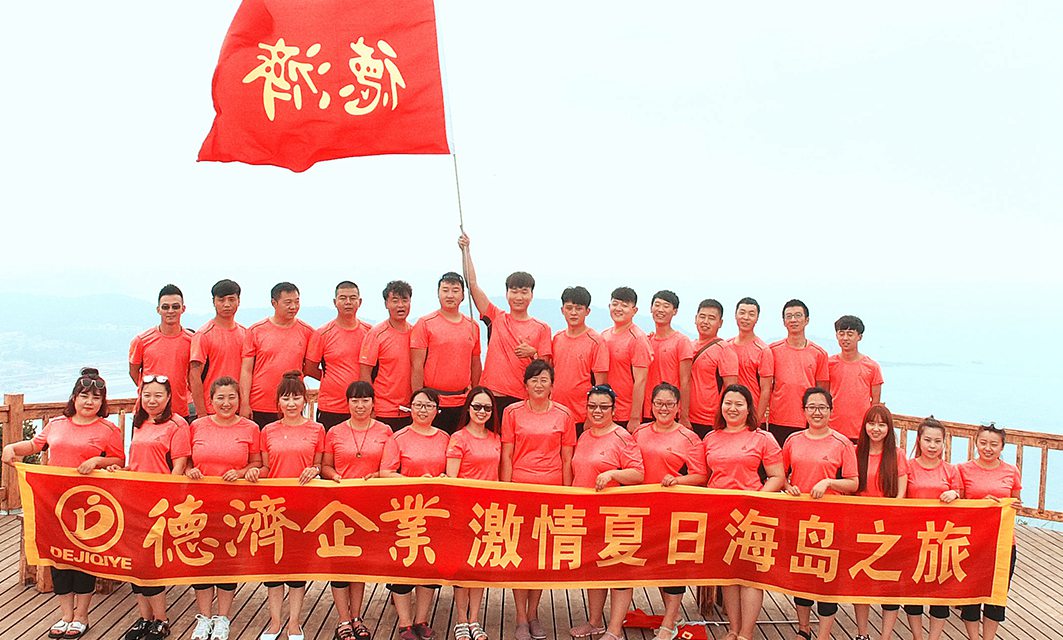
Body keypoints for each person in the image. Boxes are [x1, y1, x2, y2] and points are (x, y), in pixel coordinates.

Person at [1, 367, 124, 640]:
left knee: (84, 559)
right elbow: (34, 446)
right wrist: (11, 448)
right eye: (84, 396)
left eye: (96, 397)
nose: (89, 402)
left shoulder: (108, 429)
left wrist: (97, 461)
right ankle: (65, 614)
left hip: (89, 506)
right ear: (74, 398)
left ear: (102, 402)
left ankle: (82, 615)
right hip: (54, 502)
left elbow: (118, 460)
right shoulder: (56, 424)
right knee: (58, 557)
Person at [500, 360, 577, 640]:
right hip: (520, 489)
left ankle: (534, 614)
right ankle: (520, 617)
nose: (539, 384)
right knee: (520, 555)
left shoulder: (564, 414)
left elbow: (567, 459)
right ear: (525, 384)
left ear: (552, 385)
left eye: (544, 379)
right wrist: (505, 491)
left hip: (551, 490)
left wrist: (567, 494)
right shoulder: (511, 412)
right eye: (534, 379)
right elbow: (507, 455)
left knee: (541, 556)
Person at [703, 384, 785, 640]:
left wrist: (755, 498)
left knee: (750, 576)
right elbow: (702, 476)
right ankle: (733, 629)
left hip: (752, 514)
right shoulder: (710, 438)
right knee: (728, 575)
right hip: (720, 514)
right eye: (728, 403)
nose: (733, 408)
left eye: (739, 404)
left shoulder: (762, 438)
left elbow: (777, 476)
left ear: (749, 409)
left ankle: (746, 633)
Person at [111, 375, 190, 640]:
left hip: (159, 504)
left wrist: (169, 499)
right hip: (133, 501)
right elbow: (138, 462)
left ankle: (161, 619)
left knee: (150, 563)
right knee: (134, 562)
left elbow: (179, 466)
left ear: (168, 397)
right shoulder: (140, 422)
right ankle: (144, 617)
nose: (152, 400)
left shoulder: (177, 424)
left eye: (158, 395)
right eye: (147, 395)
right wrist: (121, 471)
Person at [321, 381, 401, 640]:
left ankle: (357, 617)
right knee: (339, 562)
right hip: (339, 506)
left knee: (359, 562)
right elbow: (325, 466)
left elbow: (389, 468)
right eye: (355, 400)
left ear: (373, 403)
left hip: (370, 506)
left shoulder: (386, 431)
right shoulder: (334, 431)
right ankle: (343, 619)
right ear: (347, 403)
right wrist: (335, 476)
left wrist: (376, 476)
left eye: (365, 400)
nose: (360, 405)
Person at [186, 377, 262, 640]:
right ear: (211, 401)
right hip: (199, 505)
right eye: (220, 397)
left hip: (233, 506)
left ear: (239, 400)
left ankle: (223, 617)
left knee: (227, 561)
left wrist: (241, 473)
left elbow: (258, 463)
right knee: (201, 561)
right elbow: (185, 461)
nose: (226, 403)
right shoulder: (196, 426)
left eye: (232, 397)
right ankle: (204, 617)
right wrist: (190, 471)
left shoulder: (251, 428)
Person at [251, 372, 325, 640]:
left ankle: (294, 622)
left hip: (303, 506)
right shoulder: (268, 430)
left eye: (296, 398)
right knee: (273, 568)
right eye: (286, 398)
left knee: (296, 568)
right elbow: (265, 468)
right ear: (278, 402)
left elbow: (319, 465)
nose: (291, 403)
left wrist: (314, 470)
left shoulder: (317, 429)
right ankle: (274, 622)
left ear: (305, 400)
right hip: (272, 507)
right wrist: (253, 472)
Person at [782, 387, 858, 640]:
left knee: (827, 578)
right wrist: (788, 487)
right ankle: (803, 629)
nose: (817, 412)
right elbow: (780, 475)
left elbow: (853, 483)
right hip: (800, 518)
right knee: (802, 576)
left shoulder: (842, 443)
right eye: (812, 407)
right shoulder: (793, 440)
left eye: (822, 407)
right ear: (803, 411)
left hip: (831, 520)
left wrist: (828, 482)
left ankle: (824, 634)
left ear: (831, 411)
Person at [570, 384, 644, 640]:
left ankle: (614, 629)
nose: (597, 411)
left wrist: (612, 473)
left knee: (618, 570)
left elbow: (638, 473)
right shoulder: (584, 435)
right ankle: (594, 621)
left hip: (616, 516)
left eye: (603, 407)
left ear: (614, 409)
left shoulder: (622, 437)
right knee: (594, 568)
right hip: (586, 514)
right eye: (592, 406)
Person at [633, 383, 707, 640]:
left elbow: (701, 475)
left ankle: (668, 623)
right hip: (643, 509)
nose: (663, 408)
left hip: (675, 510)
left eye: (669, 404)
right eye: (658, 403)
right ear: (651, 406)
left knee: (673, 565)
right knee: (654, 564)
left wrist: (678, 480)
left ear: (678, 407)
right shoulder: (639, 432)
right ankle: (672, 615)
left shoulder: (689, 437)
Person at [379, 388, 450, 640]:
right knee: (404, 565)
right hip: (405, 512)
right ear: (410, 409)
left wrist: (442, 478)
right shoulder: (398, 437)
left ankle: (421, 619)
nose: (423, 410)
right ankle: (404, 623)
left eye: (429, 406)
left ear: (437, 411)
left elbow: (451, 471)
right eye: (418, 405)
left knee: (429, 567)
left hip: (435, 512)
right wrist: (415, 481)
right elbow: (386, 473)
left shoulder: (445, 438)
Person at [459, 233, 553, 412]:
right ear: (507, 293)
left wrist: (533, 353)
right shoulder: (496, 317)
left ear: (531, 295)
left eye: (524, 292)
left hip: (522, 399)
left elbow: (546, 369)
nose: (519, 297)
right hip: (491, 396)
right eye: (514, 291)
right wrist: (466, 251)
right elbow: (472, 284)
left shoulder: (542, 328)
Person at [446, 387, 502, 640]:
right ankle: (461, 619)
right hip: (464, 511)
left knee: (480, 567)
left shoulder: (496, 438)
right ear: (468, 408)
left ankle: (474, 619)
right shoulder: (458, 438)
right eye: (477, 406)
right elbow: (452, 479)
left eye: (487, 408)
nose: (482, 412)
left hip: (489, 512)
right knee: (462, 568)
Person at [957, 425, 1022, 640]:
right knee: (971, 593)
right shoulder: (963, 469)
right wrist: (980, 504)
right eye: (983, 443)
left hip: (1004, 542)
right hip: (972, 541)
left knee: (997, 595)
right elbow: (958, 506)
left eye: (994, 444)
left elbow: (1016, 499)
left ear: (1002, 447)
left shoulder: (1011, 471)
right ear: (976, 443)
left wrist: (1015, 505)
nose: (988, 448)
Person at [849, 405, 908, 640]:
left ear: (889, 428)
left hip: (889, 527)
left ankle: (885, 636)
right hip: (861, 526)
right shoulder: (855, 452)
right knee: (861, 582)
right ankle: (862, 633)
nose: (876, 429)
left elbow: (901, 494)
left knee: (890, 584)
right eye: (871, 423)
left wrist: (892, 515)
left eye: (881, 424)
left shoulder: (897, 454)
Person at [904, 417, 962, 640]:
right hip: (914, 537)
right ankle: (917, 636)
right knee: (914, 592)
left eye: (937, 441)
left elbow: (963, 499)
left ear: (944, 443)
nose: (932, 445)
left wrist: (955, 494)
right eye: (927, 440)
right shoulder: (908, 467)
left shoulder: (951, 470)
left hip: (942, 538)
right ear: (919, 440)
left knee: (940, 593)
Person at [410, 272, 482, 434]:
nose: (450, 295)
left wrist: (475, 395)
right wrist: (418, 401)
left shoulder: (472, 325)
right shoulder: (425, 323)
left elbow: (475, 363)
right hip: (433, 401)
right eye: (445, 290)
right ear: (438, 293)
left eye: (455, 290)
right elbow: (416, 365)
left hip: (462, 402)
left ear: (463, 295)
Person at [241, 282, 314, 428]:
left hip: (292, 404)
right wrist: (244, 403)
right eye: (288, 302)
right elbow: (246, 370)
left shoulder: (308, 332)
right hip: (260, 403)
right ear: (274, 303)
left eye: (297, 302)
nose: (293, 306)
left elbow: (312, 366)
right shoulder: (256, 331)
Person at [305, 281, 372, 429]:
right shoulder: (322, 333)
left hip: (361, 406)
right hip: (331, 406)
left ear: (360, 302)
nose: (348, 302)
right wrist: (332, 379)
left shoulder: (370, 332)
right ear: (335, 302)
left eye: (352, 298)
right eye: (343, 298)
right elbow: (309, 368)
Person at [767, 300, 829, 447]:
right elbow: (765, 385)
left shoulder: (819, 353)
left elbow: (822, 390)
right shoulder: (772, 350)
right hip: (778, 419)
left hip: (807, 420)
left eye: (798, 315)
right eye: (789, 316)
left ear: (806, 320)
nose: (793, 320)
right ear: (784, 322)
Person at [130, 284, 194, 419]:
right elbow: (134, 371)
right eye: (165, 307)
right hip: (147, 413)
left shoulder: (192, 340)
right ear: (158, 309)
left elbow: (194, 376)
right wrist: (150, 390)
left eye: (175, 307)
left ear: (183, 309)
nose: (170, 311)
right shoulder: (141, 340)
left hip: (179, 412)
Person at [550, 286, 609, 433]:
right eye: (569, 308)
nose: (573, 313)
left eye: (579, 308)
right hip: (556, 413)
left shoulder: (596, 341)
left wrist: (591, 417)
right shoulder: (557, 338)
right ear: (562, 310)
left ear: (587, 311)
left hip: (581, 415)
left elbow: (601, 383)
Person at [360, 280, 415, 431]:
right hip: (383, 411)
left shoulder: (416, 333)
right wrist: (370, 408)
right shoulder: (376, 334)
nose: (400, 305)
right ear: (386, 304)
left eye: (405, 300)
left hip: (411, 411)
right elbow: (365, 373)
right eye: (395, 301)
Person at [190, 279, 246, 416]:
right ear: (214, 302)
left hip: (238, 410)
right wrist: (201, 413)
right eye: (221, 300)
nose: (227, 304)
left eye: (231, 299)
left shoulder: (245, 334)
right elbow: (194, 376)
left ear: (239, 301)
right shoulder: (203, 335)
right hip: (211, 410)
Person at [600, 287, 652, 433]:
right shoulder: (604, 336)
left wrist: (635, 417)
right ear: (609, 306)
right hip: (605, 410)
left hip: (626, 414)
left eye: (624, 305)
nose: (618, 309)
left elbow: (641, 380)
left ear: (634, 310)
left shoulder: (638, 339)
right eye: (615, 304)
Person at [828, 315, 884, 441]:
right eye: (841, 333)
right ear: (836, 336)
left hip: (861, 431)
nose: (845, 338)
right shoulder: (828, 364)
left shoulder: (872, 367)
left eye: (850, 334)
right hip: (832, 429)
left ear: (859, 337)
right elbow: (823, 396)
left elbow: (875, 403)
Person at [688, 299, 738, 437]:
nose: (705, 321)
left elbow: (732, 389)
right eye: (702, 316)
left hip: (711, 421)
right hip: (685, 417)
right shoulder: (688, 346)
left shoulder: (725, 350)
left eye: (711, 318)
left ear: (720, 323)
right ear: (695, 319)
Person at [643, 291, 693, 423]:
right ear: (651, 308)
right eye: (657, 305)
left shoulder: (681, 341)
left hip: (671, 410)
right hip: (648, 409)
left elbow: (685, 381)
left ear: (674, 311)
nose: (660, 309)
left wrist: (684, 414)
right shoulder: (646, 341)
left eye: (666, 306)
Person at [727, 297, 773, 424]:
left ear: (757, 318)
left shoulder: (763, 350)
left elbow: (766, 389)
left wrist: (757, 420)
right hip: (729, 412)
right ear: (735, 315)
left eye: (751, 314)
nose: (746, 317)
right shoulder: (726, 346)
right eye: (742, 313)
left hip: (751, 414)